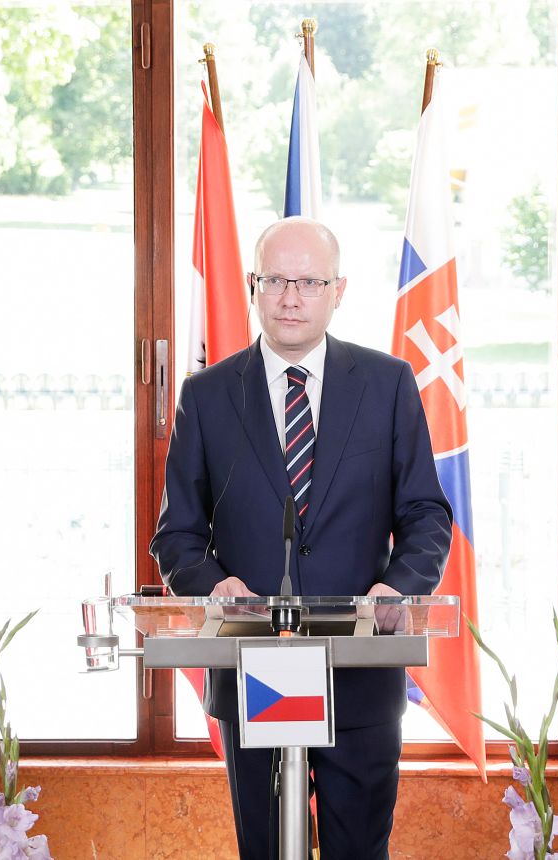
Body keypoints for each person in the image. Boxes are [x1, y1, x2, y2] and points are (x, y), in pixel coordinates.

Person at [151, 216, 452, 859]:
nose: (291, 297)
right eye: (276, 280)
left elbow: (426, 512)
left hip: (361, 674)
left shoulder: (387, 383)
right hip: (253, 662)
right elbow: (175, 535)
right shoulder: (205, 396)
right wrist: (215, 585)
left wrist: (396, 589)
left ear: (337, 290)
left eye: (309, 282)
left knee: (358, 851)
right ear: (254, 286)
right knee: (266, 850)